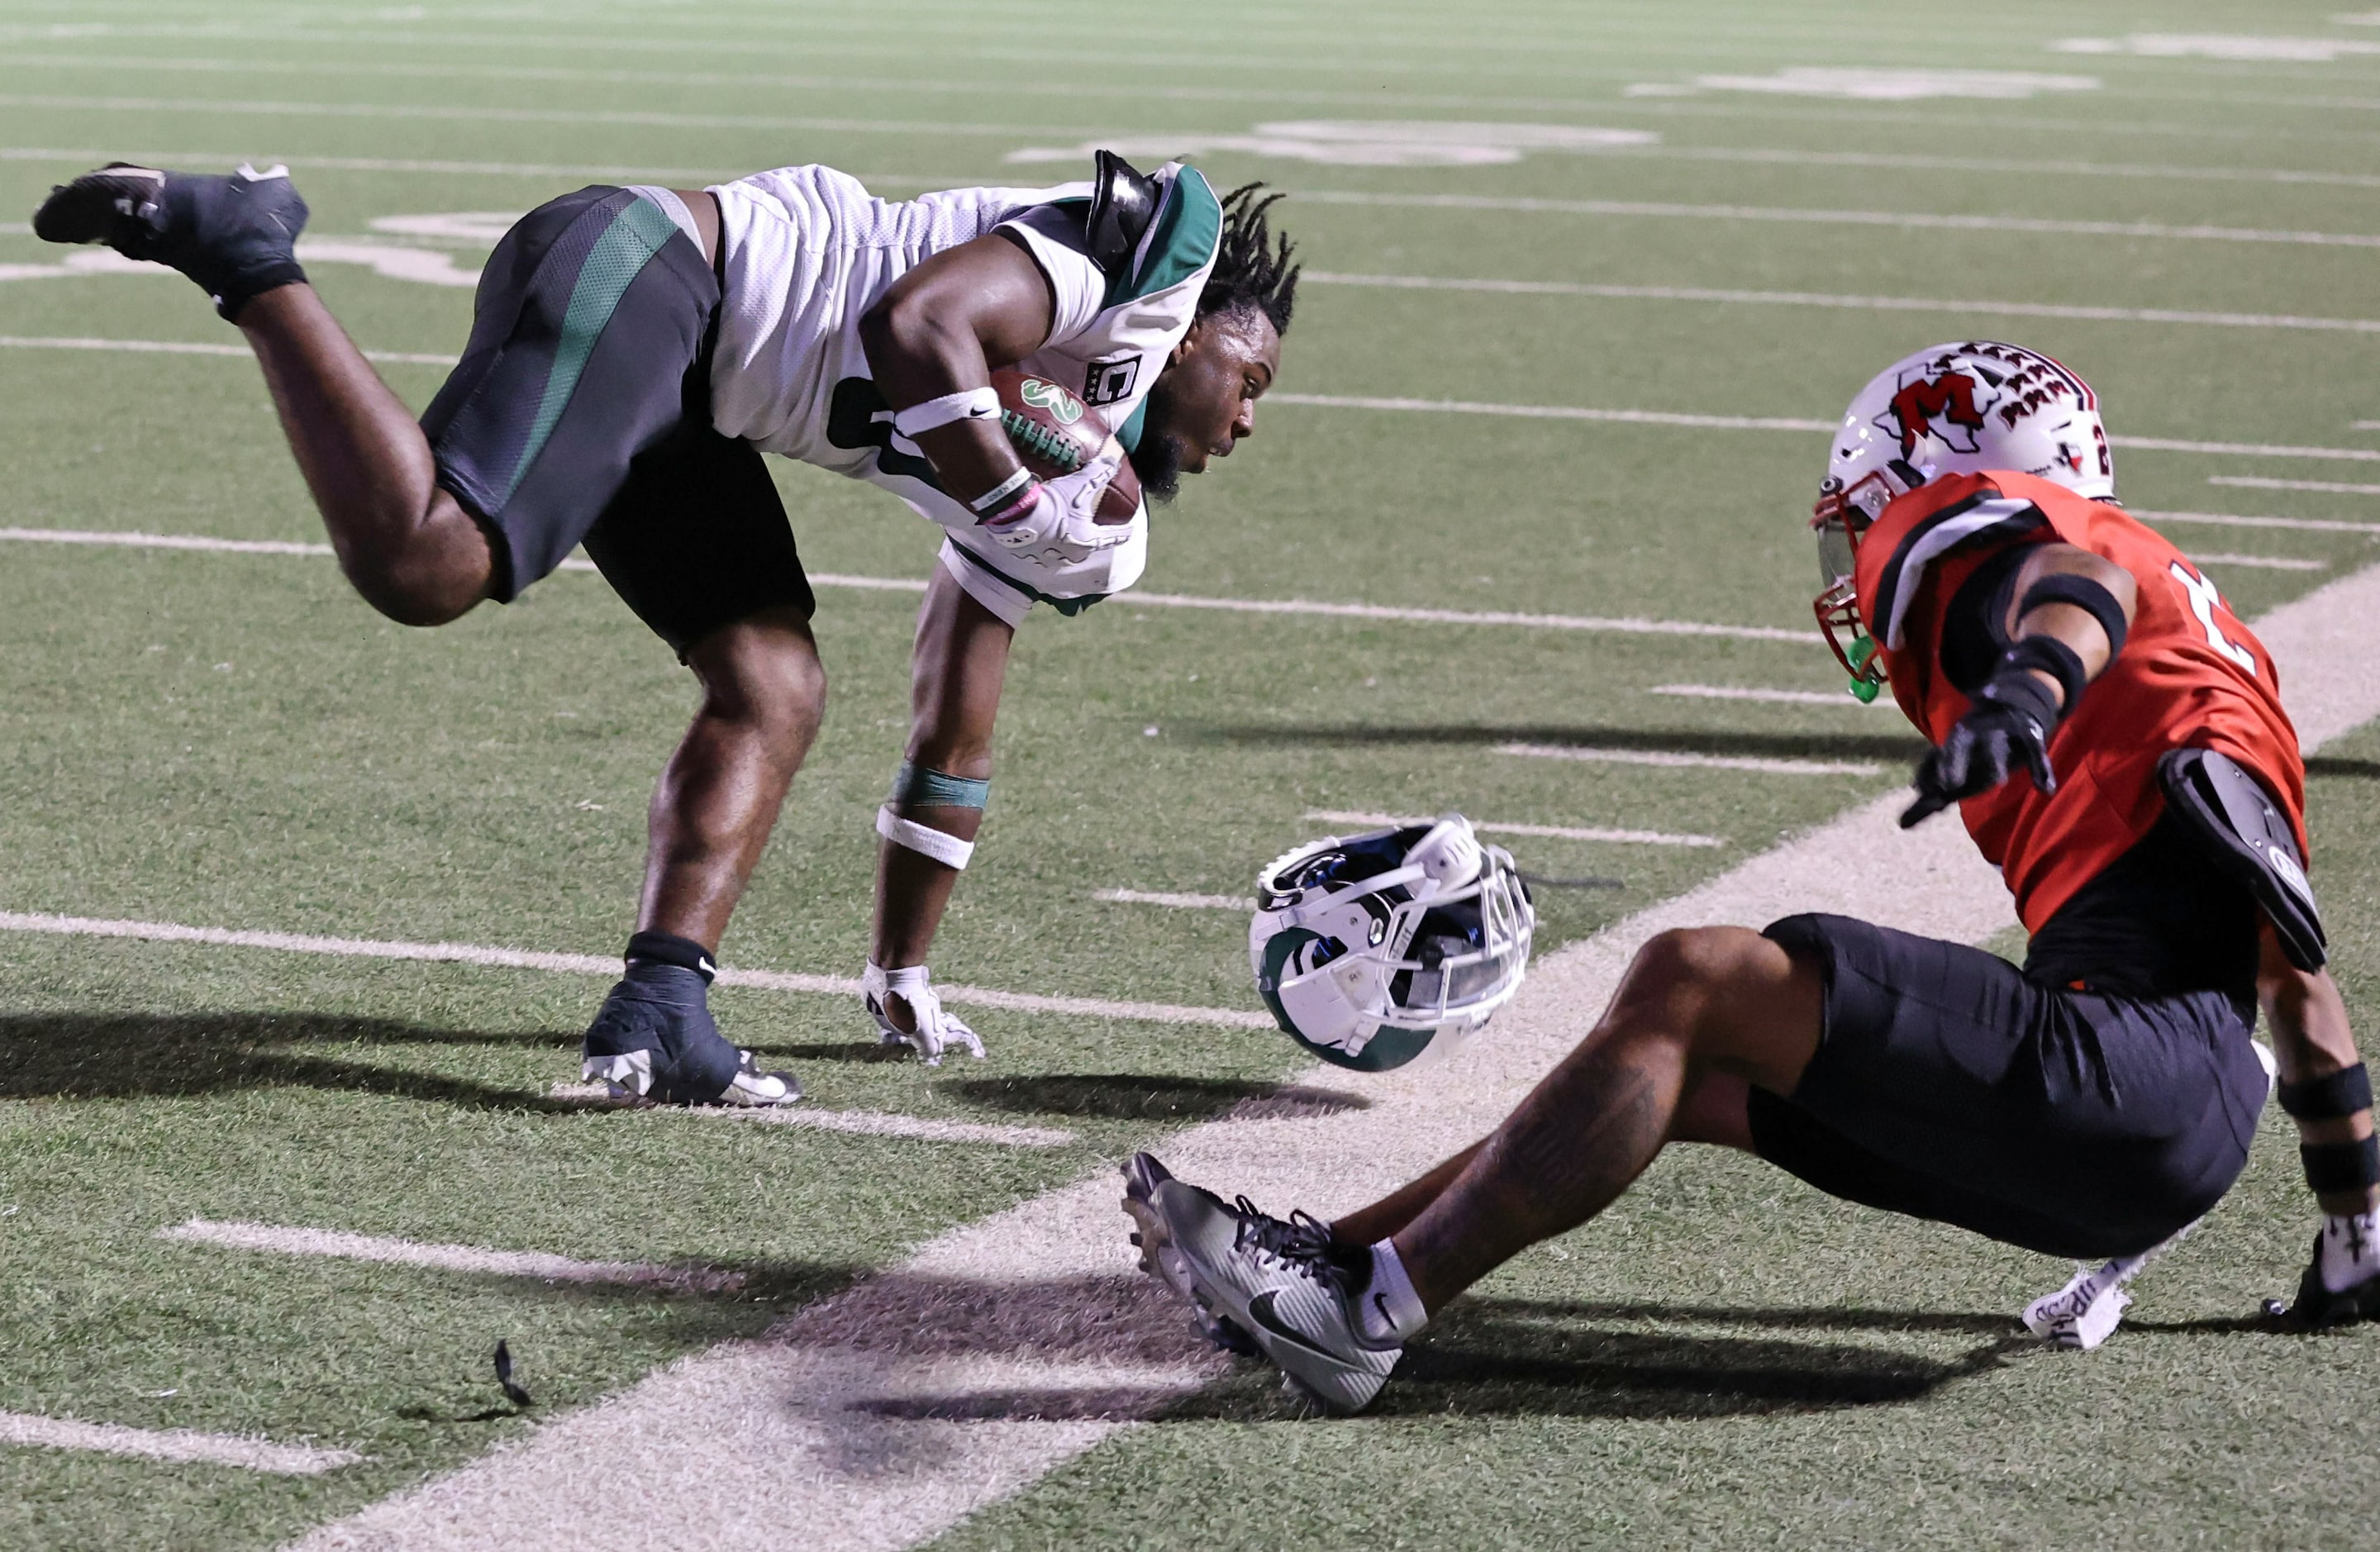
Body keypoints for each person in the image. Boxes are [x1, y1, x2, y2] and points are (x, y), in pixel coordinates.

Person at [1123, 341, 2380, 1414]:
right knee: (1688, 1073)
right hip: (2180, 1128)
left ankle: (1366, 1319)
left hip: (2119, 1078)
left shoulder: (2049, 551)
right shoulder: (2224, 673)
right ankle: (1329, 1264)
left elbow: (2076, 581)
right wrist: (2354, 1235)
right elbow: (2304, 996)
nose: (1855, 547)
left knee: (1697, 977)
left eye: (1861, 508)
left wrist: (2028, 684)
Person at [33, 152, 1297, 1104]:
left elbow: (953, 721)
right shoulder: (1146, 265)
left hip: (698, 388)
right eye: (1254, 378)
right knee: (427, 563)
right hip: (655, 267)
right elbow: (914, 326)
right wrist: (1010, 484)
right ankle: (252, 252)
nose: (1247, 421)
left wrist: (901, 969)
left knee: (775, 685)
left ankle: (660, 1007)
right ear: (1206, 329)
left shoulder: (1073, 475)